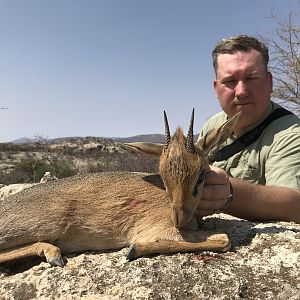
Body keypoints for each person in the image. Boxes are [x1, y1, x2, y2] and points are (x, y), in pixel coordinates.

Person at [196, 35, 300, 223]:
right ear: (216, 88)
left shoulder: (290, 133)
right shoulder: (212, 125)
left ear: (269, 82)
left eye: (251, 78)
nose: (241, 91)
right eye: (229, 81)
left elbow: (294, 203)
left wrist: (228, 192)